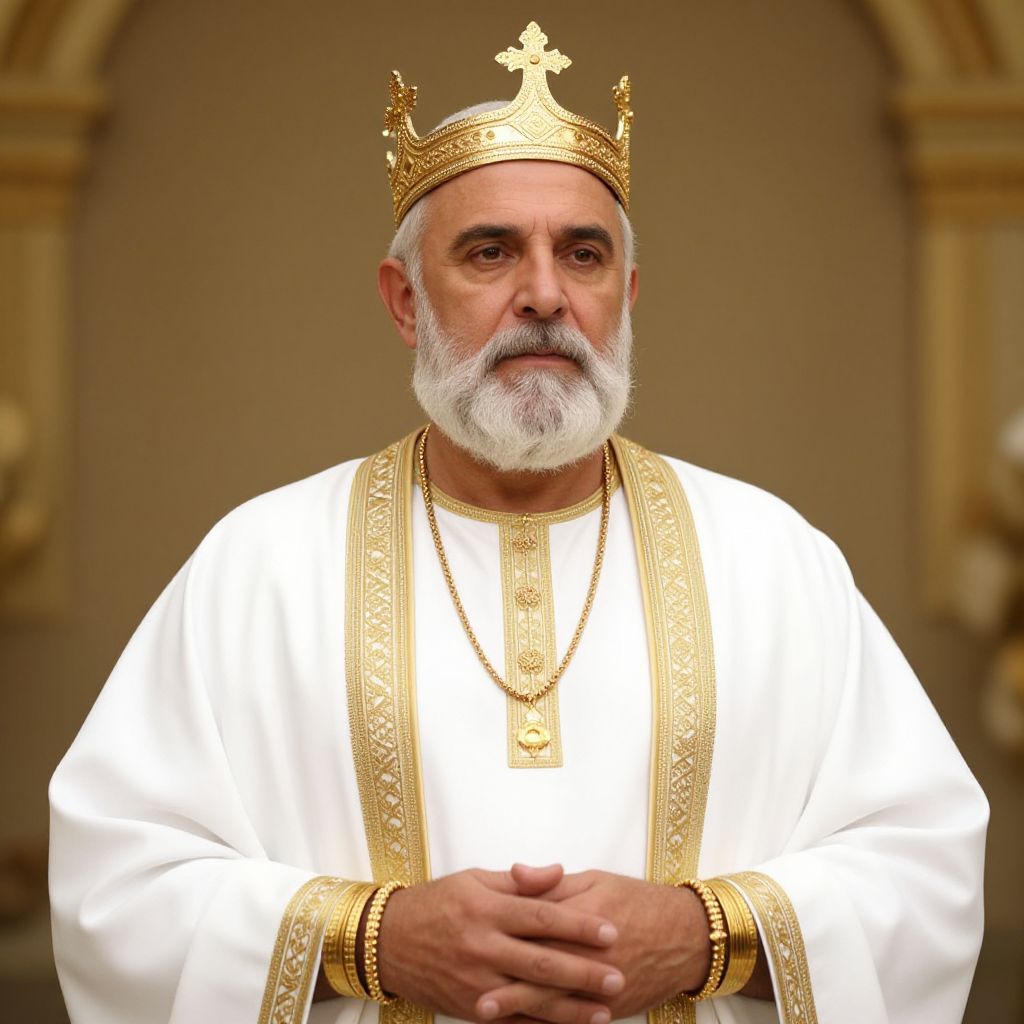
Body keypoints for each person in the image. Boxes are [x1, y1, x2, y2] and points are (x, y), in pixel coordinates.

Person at [49, 21, 987, 1024]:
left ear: (624, 298)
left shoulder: (771, 561)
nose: (543, 294)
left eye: (581, 255)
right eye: (490, 251)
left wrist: (706, 933)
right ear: (405, 300)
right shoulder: (259, 568)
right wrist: (376, 940)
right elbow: (117, 885)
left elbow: (922, 866)